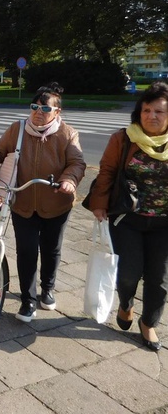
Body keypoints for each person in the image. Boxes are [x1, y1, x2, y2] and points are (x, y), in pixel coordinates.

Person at [0, 82, 85, 322]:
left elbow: (77, 163)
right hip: (22, 202)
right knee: (26, 252)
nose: (38, 112)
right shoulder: (18, 129)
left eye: (46, 108)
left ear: (57, 112)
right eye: (35, 106)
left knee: (51, 249)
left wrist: (68, 181)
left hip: (56, 203)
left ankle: (47, 288)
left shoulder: (67, 133)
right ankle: (28, 301)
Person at [87, 82, 168, 351]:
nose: (152, 116)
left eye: (159, 111)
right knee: (127, 274)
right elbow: (107, 172)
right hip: (128, 219)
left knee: (160, 279)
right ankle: (126, 303)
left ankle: (149, 324)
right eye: (146, 110)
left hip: (164, 224)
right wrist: (99, 204)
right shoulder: (123, 138)